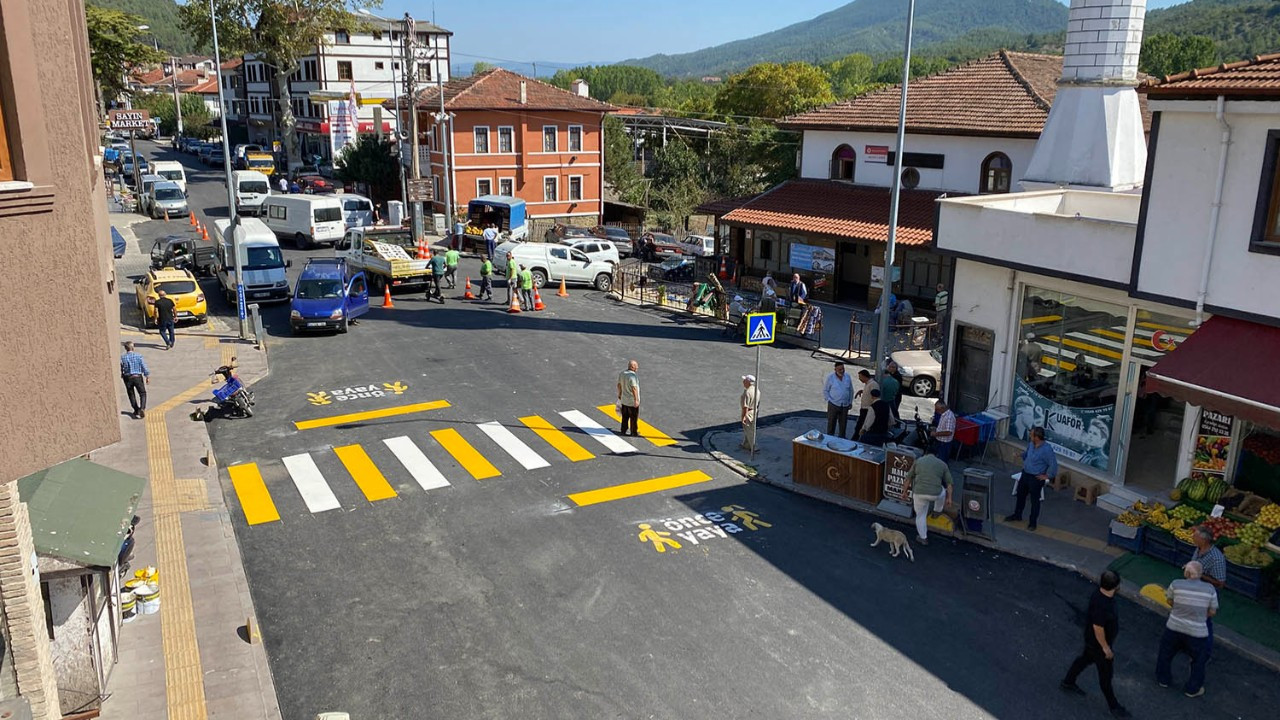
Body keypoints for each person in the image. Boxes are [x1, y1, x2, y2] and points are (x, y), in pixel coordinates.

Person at [1060, 570, 1129, 718]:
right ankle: (1114, 706)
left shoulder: (1098, 595)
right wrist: (1106, 649)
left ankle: (1068, 681)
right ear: (1116, 586)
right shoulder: (1103, 605)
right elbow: (1098, 628)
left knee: (1084, 659)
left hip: (1092, 642)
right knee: (1105, 677)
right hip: (1099, 645)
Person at [1156, 560, 1218, 698]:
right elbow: (1212, 612)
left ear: (1187, 573)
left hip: (1174, 627)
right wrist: (1199, 615)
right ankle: (1192, 689)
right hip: (1197, 632)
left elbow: (1170, 601)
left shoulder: (1176, 584)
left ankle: (1163, 679)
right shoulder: (1210, 589)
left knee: (1166, 653)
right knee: (1198, 660)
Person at [1006, 426, 1058, 531]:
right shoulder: (1031, 444)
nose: (1030, 436)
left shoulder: (1047, 450)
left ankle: (1032, 523)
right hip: (1025, 474)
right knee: (1020, 495)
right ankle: (1017, 515)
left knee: (1035, 501)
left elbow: (1053, 465)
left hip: (1036, 478)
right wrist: (1020, 455)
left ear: (1037, 437)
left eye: (1031, 435)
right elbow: (1027, 454)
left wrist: (1047, 476)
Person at [1189, 525, 1226, 658]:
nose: (1193, 537)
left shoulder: (1217, 558)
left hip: (1206, 595)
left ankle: (1205, 653)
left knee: (1205, 623)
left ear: (1203, 540)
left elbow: (1220, 583)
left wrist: (1198, 574)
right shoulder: (1199, 549)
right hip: (1194, 590)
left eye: (1195, 536)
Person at [904, 447, 952, 545]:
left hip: (919, 493)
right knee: (943, 490)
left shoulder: (918, 461)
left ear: (925, 454)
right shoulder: (942, 464)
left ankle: (923, 538)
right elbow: (949, 484)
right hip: (935, 494)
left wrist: (904, 492)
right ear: (936, 455)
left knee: (920, 515)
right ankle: (937, 511)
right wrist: (949, 498)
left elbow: (908, 479)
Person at [120, 341, 150, 419]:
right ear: (133, 348)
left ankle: (136, 409)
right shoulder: (138, 356)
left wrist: (123, 375)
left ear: (126, 349)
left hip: (128, 377)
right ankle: (142, 408)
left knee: (131, 394)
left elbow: (122, 368)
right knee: (142, 393)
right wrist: (147, 375)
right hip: (137, 376)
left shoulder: (123, 357)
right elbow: (143, 366)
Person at [824, 362, 854, 438]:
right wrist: (829, 400)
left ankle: (842, 439)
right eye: (840, 369)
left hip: (845, 405)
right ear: (835, 369)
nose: (842, 371)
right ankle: (829, 438)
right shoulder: (830, 377)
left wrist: (850, 402)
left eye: (843, 369)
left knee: (843, 424)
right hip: (833, 404)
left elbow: (851, 390)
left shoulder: (847, 376)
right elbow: (826, 390)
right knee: (831, 423)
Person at [617, 360, 640, 437]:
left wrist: (620, 394)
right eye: (636, 366)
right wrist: (636, 400)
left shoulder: (622, 374)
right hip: (631, 401)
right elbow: (634, 388)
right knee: (633, 418)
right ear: (632, 367)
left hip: (624, 400)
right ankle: (633, 432)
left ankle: (623, 430)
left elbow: (619, 385)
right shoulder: (633, 376)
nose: (637, 367)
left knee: (625, 416)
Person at [853, 369, 879, 437]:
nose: (859, 379)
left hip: (868, 409)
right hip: (864, 408)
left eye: (860, 377)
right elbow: (869, 392)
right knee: (859, 425)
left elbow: (875, 396)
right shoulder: (868, 384)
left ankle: (856, 439)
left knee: (861, 426)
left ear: (865, 376)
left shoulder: (873, 384)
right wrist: (862, 391)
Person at [740, 375, 760, 452]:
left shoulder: (747, 392)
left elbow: (745, 407)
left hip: (748, 412)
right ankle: (746, 444)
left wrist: (743, 416)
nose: (743, 382)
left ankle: (754, 447)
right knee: (749, 429)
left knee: (749, 430)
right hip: (755, 411)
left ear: (748, 382)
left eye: (744, 380)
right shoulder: (757, 390)